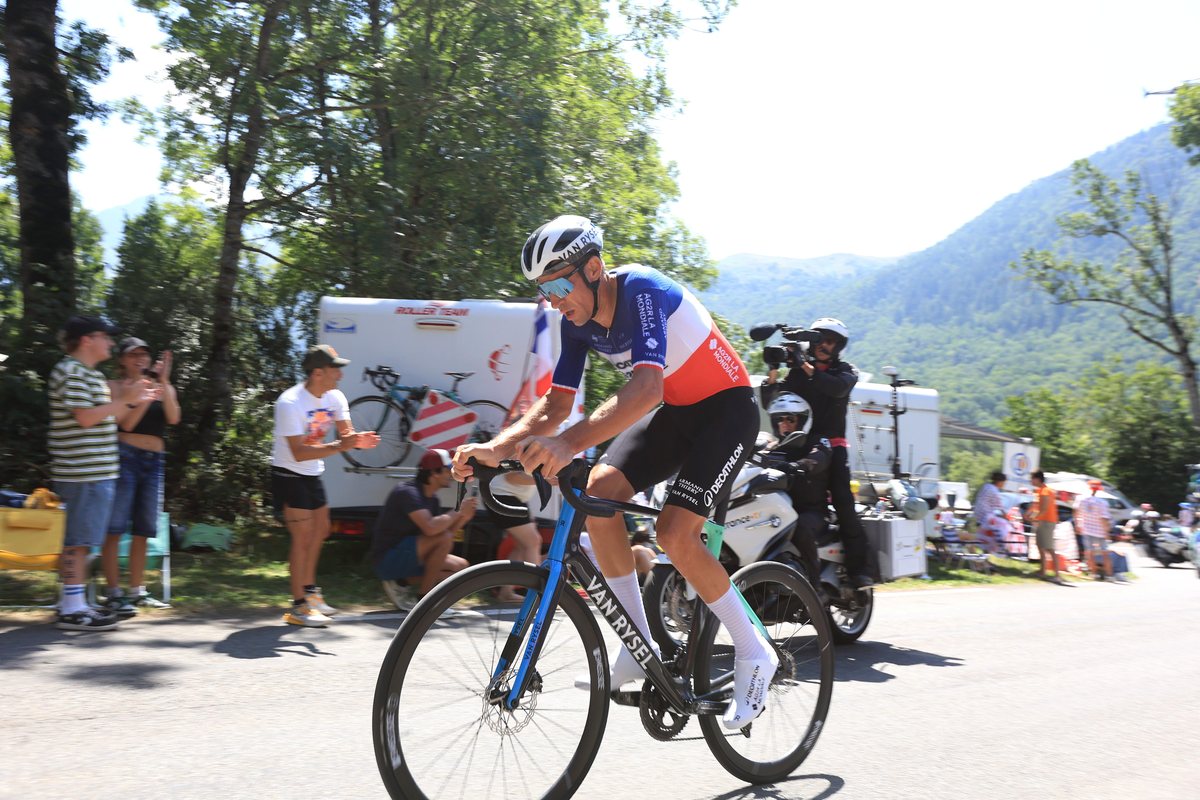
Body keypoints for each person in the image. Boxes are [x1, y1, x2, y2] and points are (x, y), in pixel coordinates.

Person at [453, 214, 773, 730]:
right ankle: (639, 642)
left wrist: (568, 444)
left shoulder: (642, 291)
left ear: (595, 268)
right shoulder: (574, 322)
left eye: (559, 285)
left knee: (674, 533)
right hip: (676, 412)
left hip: (727, 411)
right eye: (543, 291)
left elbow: (645, 390)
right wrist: (495, 447)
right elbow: (555, 407)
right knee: (599, 493)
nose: (554, 299)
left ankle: (753, 648)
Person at [48, 315, 156, 630]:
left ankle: (77, 601)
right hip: (80, 472)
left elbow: (111, 417)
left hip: (98, 471)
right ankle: (71, 607)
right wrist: (124, 400)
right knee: (77, 542)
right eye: (105, 337)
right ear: (86, 340)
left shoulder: (91, 376)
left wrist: (135, 402)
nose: (110, 342)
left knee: (84, 541)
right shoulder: (70, 371)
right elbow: (84, 417)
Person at [762, 318, 875, 589]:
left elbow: (835, 387)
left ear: (839, 347)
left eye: (832, 341)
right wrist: (773, 371)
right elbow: (773, 403)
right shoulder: (799, 373)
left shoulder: (846, 371)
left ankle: (860, 571)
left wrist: (802, 362)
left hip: (831, 449)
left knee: (845, 505)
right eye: (822, 339)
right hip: (797, 445)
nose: (826, 345)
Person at [272, 344, 380, 627]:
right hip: (288, 472)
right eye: (336, 369)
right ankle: (298, 607)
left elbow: (346, 434)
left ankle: (310, 593)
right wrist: (340, 445)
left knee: (321, 530)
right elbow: (297, 452)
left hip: (311, 472)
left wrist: (358, 441)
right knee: (303, 536)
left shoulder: (334, 397)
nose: (340, 376)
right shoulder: (290, 403)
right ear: (318, 372)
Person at [99, 337, 181, 616]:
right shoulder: (115, 387)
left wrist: (164, 382)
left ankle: (137, 591)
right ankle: (113, 593)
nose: (140, 359)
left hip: (154, 461)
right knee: (115, 527)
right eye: (133, 355)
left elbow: (173, 418)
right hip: (125, 458)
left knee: (144, 530)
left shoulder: (160, 386)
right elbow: (127, 423)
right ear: (121, 360)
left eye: (144, 354)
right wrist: (146, 393)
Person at [373, 448, 472, 609]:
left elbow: (444, 537)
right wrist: (458, 510)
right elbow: (431, 529)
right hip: (387, 559)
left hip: (409, 555)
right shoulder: (407, 492)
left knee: (461, 569)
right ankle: (425, 603)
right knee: (443, 538)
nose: (452, 474)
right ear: (434, 473)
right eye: (448, 470)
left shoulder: (432, 499)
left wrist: (463, 518)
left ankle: (400, 582)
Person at [760, 392, 831, 584]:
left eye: (790, 419)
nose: (784, 424)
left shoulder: (816, 441)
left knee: (800, 528)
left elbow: (818, 459)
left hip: (811, 511)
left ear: (802, 421)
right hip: (779, 508)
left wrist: (798, 465)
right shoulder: (773, 447)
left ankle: (815, 588)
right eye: (779, 419)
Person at [482, 469, 542, 602]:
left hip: (512, 496)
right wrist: (543, 480)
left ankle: (506, 592)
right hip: (502, 495)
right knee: (533, 542)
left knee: (522, 546)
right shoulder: (522, 448)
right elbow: (512, 477)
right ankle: (539, 594)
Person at [1074, 478, 1119, 580]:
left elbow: (1076, 512)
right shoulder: (1102, 503)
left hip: (1086, 529)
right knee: (1105, 553)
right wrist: (1106, 531)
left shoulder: (1080, 499)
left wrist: (1077, 525)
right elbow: (1104, 518)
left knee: (1089, 552)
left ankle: (1094, 574)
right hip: (1100, 532)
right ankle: (1109, 575)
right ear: (1098, 489)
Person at [1027, 470, 1064, 583]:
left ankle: (1057, 575)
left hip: (1047, 522)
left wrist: (1034, 518)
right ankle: (1042, 571)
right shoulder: (1040, 491)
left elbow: (1044, 509)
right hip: (1042, 521)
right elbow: (1038, 507)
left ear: (1038, 479)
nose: (1031, 480)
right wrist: (1030, 514)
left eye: (1032, 478)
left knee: (1049, 548)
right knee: (1041, 547)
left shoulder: (1046, 491)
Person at [971, 471, 1008, 556]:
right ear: (999, 482)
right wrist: (1006, 517)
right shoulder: (994, 491)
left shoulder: (986, 486)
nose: (1004, 484)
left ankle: (983, 556)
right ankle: (987, 556)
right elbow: (1000, 506)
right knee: (992, 536)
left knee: (982, 537)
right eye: (1004, 482)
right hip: (985, 517)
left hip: (978, 515)